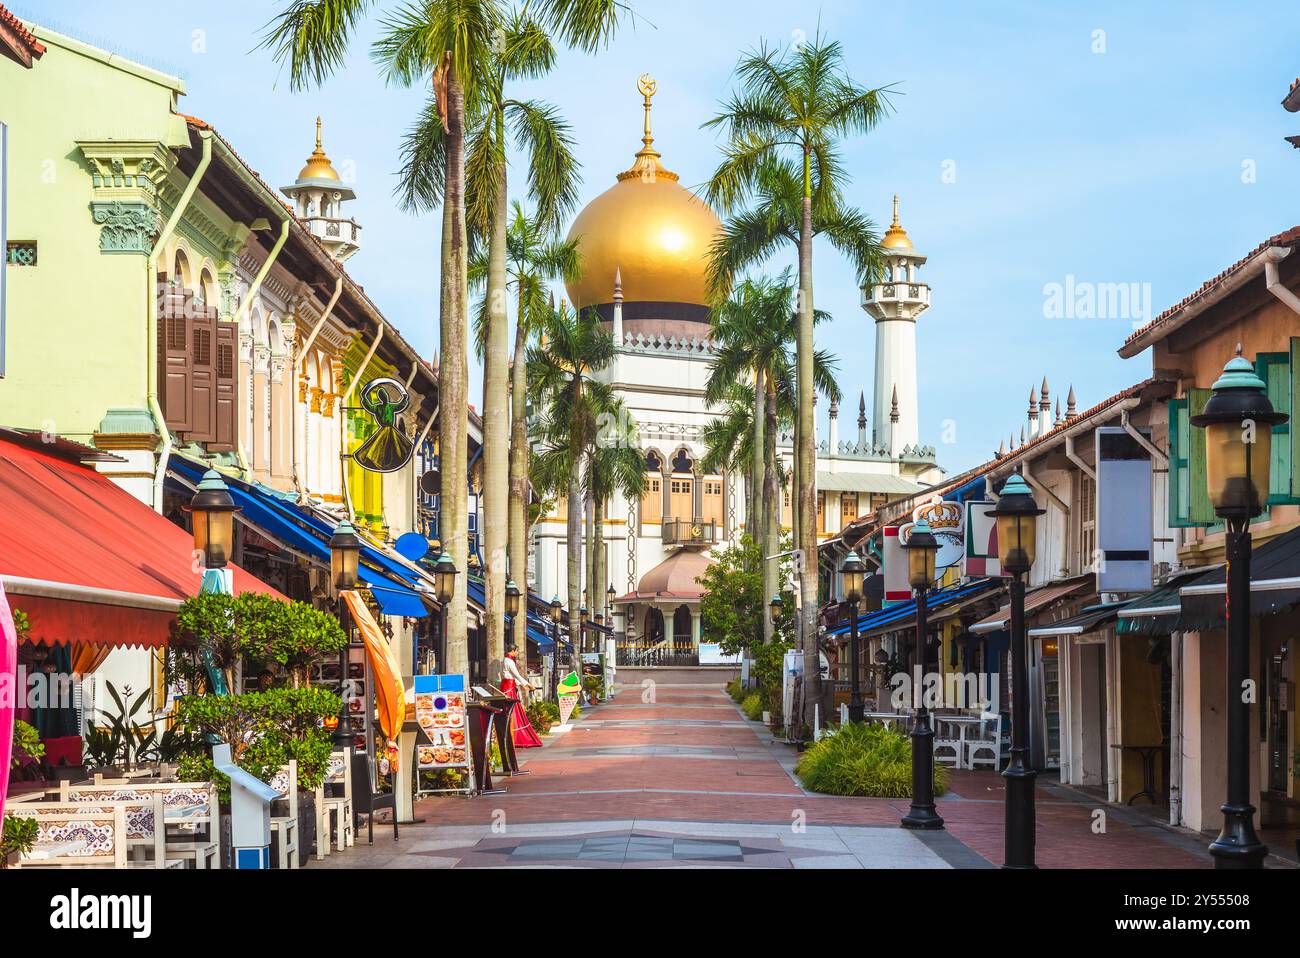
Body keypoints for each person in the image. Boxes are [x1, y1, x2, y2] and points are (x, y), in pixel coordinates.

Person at [501, 645, 543, 748]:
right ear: (513, 651)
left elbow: (512, 677)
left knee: (513, 709)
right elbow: (516, 675)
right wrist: (528, 684)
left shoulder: (506, 660)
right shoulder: (509, 661)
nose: (517, 653)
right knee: (513, 710)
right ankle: (516, 736)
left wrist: (523, 685)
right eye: (517, 651)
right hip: (509, 688)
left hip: (509, 686)